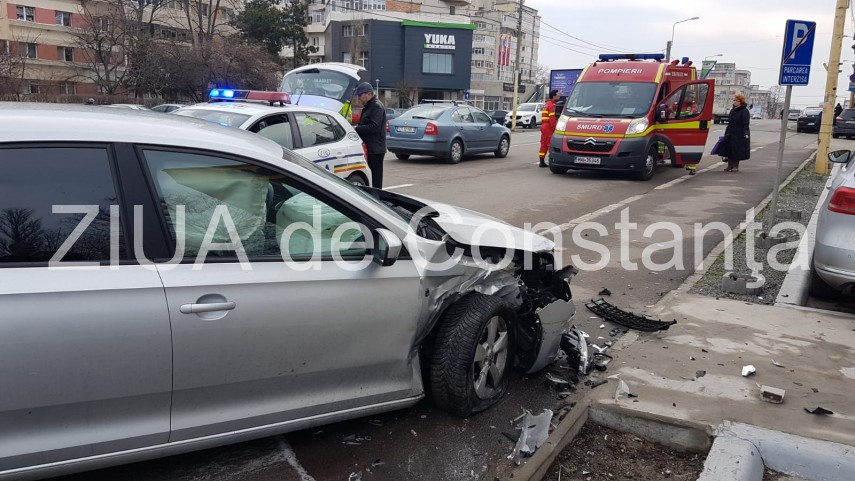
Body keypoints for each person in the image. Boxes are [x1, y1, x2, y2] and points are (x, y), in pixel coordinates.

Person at [353, 82, 387, 188]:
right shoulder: (369, 106)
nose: (359, 98)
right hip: (370, 147)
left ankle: (377, 196)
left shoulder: (376, 106)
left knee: (375, 179)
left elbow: (374, 126)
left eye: (360, 95)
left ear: (368, 94)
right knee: (371, 177)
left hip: (375, 149)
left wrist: (356, 129)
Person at [723, 94, 750, 172]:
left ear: (740, 102)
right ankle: (729, 165)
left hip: (739, 132)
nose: (734, 102)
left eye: (736, 101)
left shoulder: (744, 111)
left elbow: (745, 123)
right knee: (729, 148)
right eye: (734, 100)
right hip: (730, 131)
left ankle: (735, 166)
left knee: (737, 149)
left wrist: (746, 133)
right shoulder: (733, 110)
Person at [538, 89, 561, 168]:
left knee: (544, 144)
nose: (559, 97)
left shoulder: (547, 104)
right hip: (548, 127)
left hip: (544, 126)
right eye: (558, 95)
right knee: (550, 144)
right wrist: (555, 128)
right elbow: (552, 118)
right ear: (554, 96)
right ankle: (552, 160)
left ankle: (541, 161)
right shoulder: (552, 105)